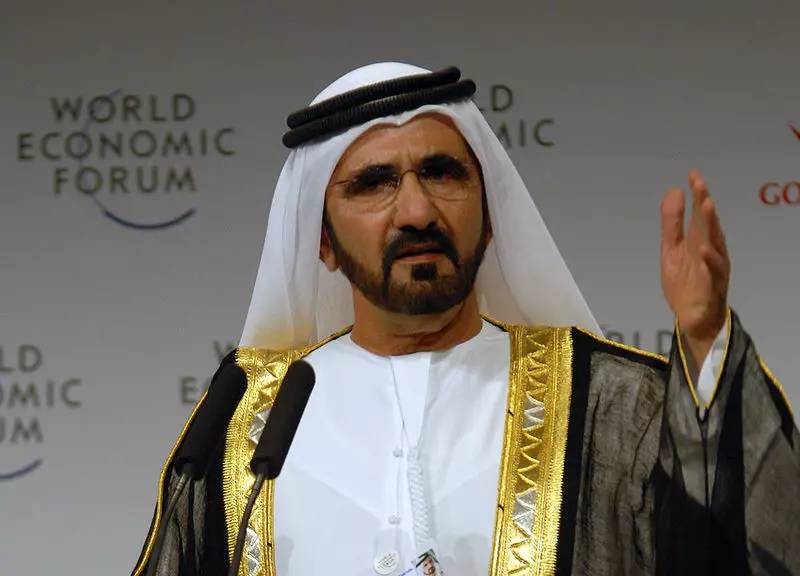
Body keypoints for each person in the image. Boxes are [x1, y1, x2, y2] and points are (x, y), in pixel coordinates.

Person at [132, 63, 798, 576]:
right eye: (374, 183)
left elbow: (747, 543)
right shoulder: (249, 420)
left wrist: (707, 347)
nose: (417, 211)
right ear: (323, 241)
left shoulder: (609, 402)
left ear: (489, 213)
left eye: (442, 173)